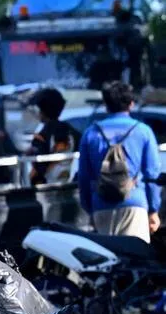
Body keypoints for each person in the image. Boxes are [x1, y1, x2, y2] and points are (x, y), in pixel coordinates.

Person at [77, 80, 161, 241]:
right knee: (136, 259)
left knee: (107, 261)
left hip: (100, 205)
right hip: (134, 203)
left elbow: (84, 177)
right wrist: (153, 210)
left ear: (106, 105)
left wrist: (90, 208)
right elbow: (152, 175)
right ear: (131, 104)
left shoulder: (90, 133)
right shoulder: (143, 131)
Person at [28, 88, 77, 185]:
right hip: (69, 185)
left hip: (47, 190)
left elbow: (38, 168)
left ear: (42, 110)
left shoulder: (41, 136)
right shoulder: (72, 131)